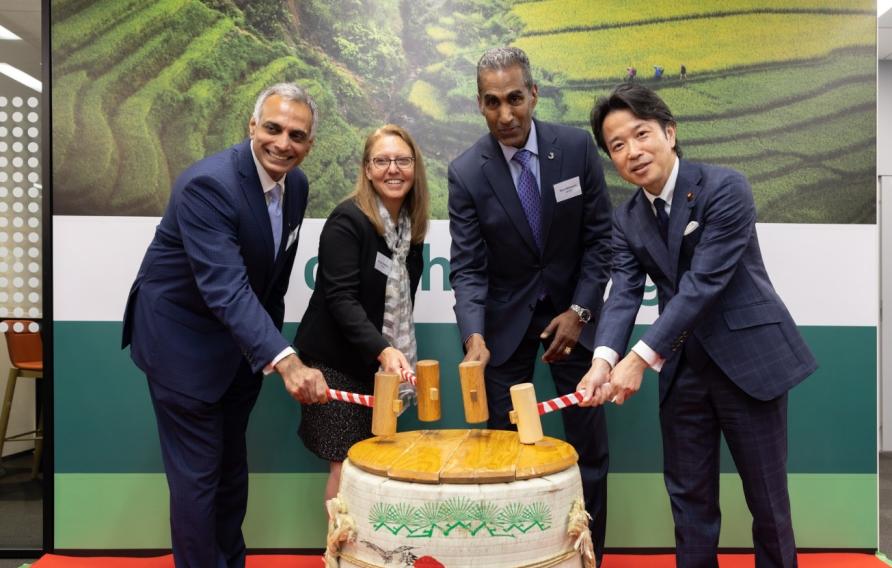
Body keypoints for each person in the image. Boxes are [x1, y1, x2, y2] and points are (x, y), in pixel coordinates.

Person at [580, 83, 817, 568]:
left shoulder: (725, 187)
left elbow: (704, 283)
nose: (632, 152)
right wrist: (603, 360)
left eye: (640, 134)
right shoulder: (625, 220)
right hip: (685, 372)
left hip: (749, 364)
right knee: (689, 504)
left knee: (768, 504)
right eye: (617, 145)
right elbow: (623, 290)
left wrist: (638, 359)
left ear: (669, 132)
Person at [122, 83, 328, 568]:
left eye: (297, 135)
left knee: (231, 469)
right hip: (183, 346)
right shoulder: (208, 185)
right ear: (252, 126)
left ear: (310, 144)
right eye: (273, 128)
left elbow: (270, 282)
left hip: (241, 351)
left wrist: (266, 352)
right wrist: (285, 359)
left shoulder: (295, 185)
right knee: (198, 480)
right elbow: (225, 286)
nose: (283, 143)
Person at [448, 46, 612, 565]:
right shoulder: (466, 171)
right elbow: (469, 267)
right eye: (492, 102)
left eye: (515, 99)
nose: (506, 115)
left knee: (590, 451)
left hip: (575, 322)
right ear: (479, 104)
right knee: (500, 450)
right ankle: (508, 556)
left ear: (534, 94)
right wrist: (475, 338)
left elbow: (600, 241)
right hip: (503, 330)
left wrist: (581, 311)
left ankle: (588, 557)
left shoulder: (577, 148)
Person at [295, 124, 428, 502]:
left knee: (375, 466)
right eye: (382, 160)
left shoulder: (409, 231)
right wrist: (384, 350)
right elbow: (341, 300)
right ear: (367, 170)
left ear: (415, 168)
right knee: (347, 467)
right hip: (335, 364)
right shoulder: (347, 221)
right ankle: (343, 553)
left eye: (402, 160)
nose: (393, 169)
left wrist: (385, 357)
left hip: (377, 371)